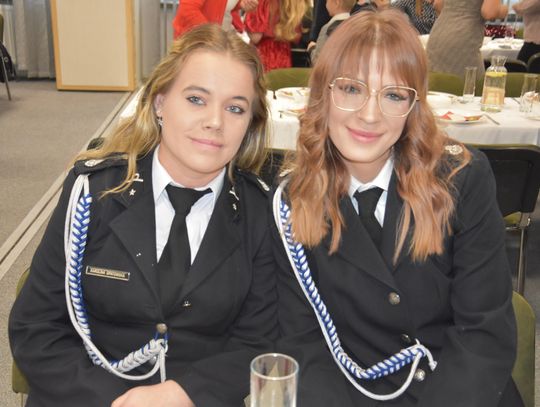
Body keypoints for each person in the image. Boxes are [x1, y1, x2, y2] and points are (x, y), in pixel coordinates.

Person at [9, 24, 277, 407]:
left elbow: (259, 341)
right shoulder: (94, 193)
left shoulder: (261, 212)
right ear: (159, 103)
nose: (215, 121)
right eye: (196, 99)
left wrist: (184, 393)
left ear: (250, 122)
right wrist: (117, 401)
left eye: (235, 108)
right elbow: (36, 327)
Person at [272, 9, 523, 406]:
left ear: (413, 107)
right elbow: (302, 343)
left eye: (393, 95)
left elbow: (483, 333)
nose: (370, 114)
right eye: (351, 89)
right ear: (324, 94)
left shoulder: (461, 181)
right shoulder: (291, 200)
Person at [426, 0, 507, 79]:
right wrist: (504, 10)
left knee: (437, 83)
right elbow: (489, 12)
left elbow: (438, 4)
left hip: (439, 33)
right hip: (463, 36)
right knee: (472, 83)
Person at [244, 0, 311, 71]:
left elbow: (255, 37)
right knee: (280, 77)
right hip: (284, 57)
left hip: (264, 56)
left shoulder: (263, 2)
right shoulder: (293, 3)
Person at [172, 0, 259, 38]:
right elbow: (188, 9)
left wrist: (240, 4)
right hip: (197, 41)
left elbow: (220, 5)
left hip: (219, 37)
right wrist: (214, 34)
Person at [309, 0, 356, 64]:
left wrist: (312, 48)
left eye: (327, 1)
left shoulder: (327, 29)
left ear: (337, 3)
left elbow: (318, 60)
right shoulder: (356, 26)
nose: (326, 4)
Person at [513, 0, 540, 65]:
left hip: (534, 45)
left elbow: (519, 7)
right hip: (533, 44)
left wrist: (517, 6)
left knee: (518, 68)